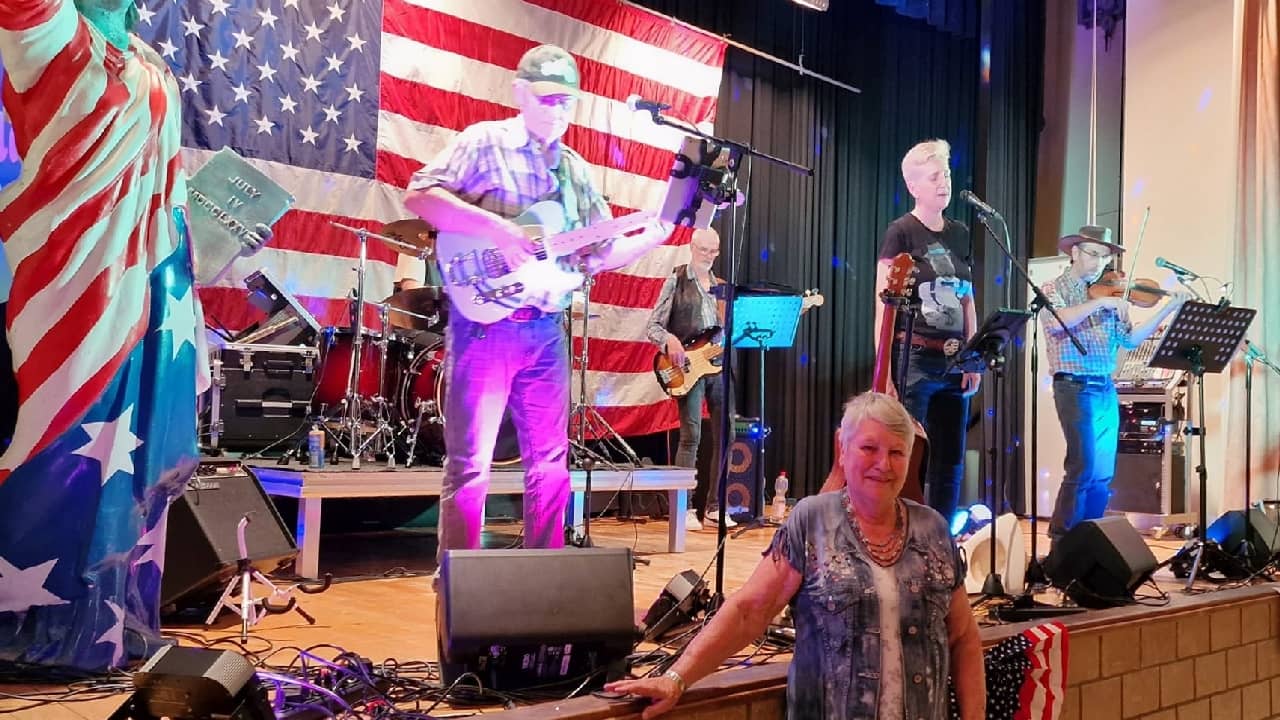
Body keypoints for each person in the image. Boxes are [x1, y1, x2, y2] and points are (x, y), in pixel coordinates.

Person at [0, 0, 265, 670]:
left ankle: (111, 622)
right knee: (61, 445)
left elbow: (167, 191)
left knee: (140, 451)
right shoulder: (55, 32)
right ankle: (39, 621)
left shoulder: (151, 62)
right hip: (72, 284)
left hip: (152, 283)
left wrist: (207, 248)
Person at [403, 45, 670, 560]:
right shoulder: (487, 141)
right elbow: (420, 195)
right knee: (470, 463)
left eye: (566, 101)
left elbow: (597, 254)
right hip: (483, 325)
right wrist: (498, 229)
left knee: (550, 461)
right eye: (546, 97)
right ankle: (460, 583)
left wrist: (655, 232)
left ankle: (541, 577)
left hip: (545, 326)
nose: (557, 109)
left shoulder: (574, 170)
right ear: (520, 93)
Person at [605, 391, 985, 719]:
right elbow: (748, 612)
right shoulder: (812, 521)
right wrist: (676, 677)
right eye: (869, 448)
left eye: (897, 453)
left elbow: (964, 637)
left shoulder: (932, 529)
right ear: (843, 448)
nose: (883, 465)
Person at [1041, 225, 1187, 545]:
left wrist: (1169, 307)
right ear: (1075, 252)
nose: (1099, 263)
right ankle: (1060, 542)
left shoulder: (1110, 293)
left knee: (1104, 473)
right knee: (1082, 466)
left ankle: (1090, 541)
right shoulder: (1054, 288)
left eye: (1105, 256)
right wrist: (1099, 305)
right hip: (1073, 385)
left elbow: (1131, 340)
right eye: (1094, 254)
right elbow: (1055, 322)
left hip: (1105, 386)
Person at [874, 139, 981, 523]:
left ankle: (941, 541)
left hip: (954, 360)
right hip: (913, 360)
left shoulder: (961, 233)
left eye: (947, 174)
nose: (944, 182)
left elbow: (968, 299)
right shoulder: (901, 232)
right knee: (908, 454)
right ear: (914, 186)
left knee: (950, 460)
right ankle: (900, 533)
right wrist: (884, 370)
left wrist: (973, 358)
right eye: (935, 177)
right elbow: (881, 306)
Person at [646, 227, 734, 531]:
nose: (709, 256)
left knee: (727, 435)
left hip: (719, 366)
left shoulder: (722, 288)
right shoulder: (677, 279)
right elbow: (653, 326)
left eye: (714, 251)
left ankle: (714, 507)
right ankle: (682, 508)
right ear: (692, 248)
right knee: (691, 436)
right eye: (704, 250)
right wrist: (669, 339)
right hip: (688, 368)